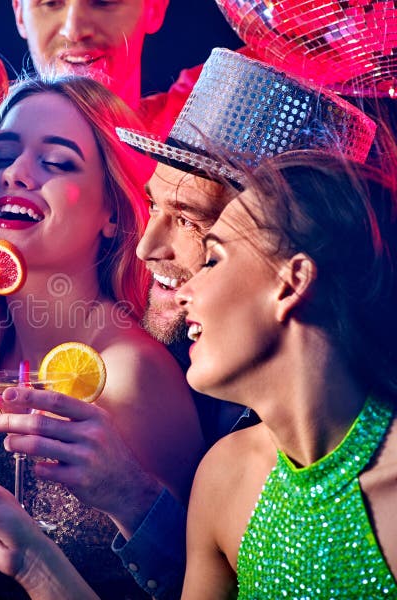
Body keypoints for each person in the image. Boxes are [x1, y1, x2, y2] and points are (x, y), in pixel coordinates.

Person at [0, 48, 378, 598]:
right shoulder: (229, 463)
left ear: (294, 273)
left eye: (196, 226)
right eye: (152, 206)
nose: (146, 246)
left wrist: (132, 498)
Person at [0, 74, 204, 599]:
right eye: (1, 156)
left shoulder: (131, 375)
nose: (17, 173)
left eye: (57, 162)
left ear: (112, 212)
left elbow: (192, 581)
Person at [178, 149, 397, 597]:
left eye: (213, 260)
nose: (185, 291)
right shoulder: (225, 477)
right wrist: (31, 561)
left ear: (292, 282)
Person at [0, 0, 202, 241]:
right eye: (51, 2)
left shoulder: (199, 119)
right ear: (19, 11)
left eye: (104, 0)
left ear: (154, 7)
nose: (75, 30)